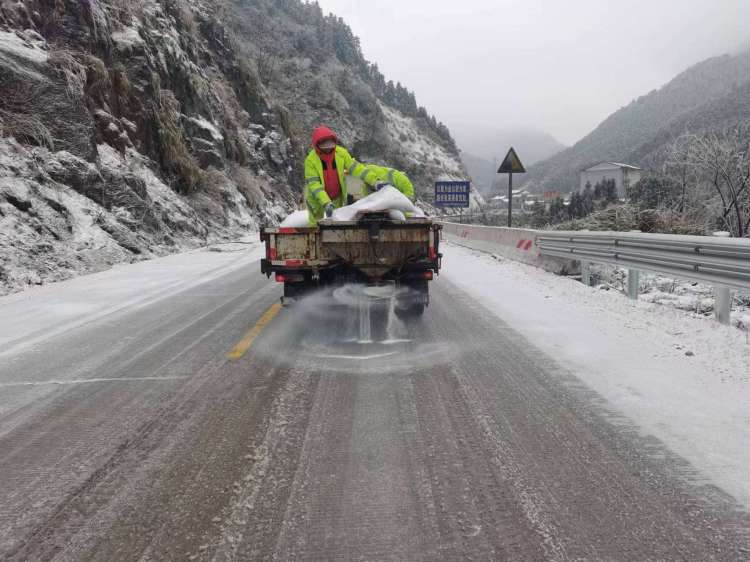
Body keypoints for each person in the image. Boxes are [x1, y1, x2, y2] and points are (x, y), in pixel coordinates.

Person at [304, 126, 414, 225]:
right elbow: (315, 185)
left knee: (336, 222)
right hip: (316, 199)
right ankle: (317, 246)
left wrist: (376, 182)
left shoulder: (341, 153)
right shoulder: (310, 161)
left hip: (337, 196)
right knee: (315, 226)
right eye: (325, 147)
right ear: (317, 146)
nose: (328, 150)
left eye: (330, 146)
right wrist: (326, 202)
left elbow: (358, 169)